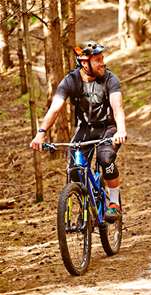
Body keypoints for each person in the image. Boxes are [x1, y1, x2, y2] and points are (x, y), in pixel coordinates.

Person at [30, 40, 127, 221]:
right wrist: (41, 134)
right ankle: (87, 204)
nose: (103, 63)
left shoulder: (110, 79)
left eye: (102, 58)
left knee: (106, 159)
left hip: (108, 128)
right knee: (75, 170)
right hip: (85, 129)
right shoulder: (70, 81)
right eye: (98, 60)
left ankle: (114, 202)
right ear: (84, 63)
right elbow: (55, 109)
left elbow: (117, 107)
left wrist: (121, 131)